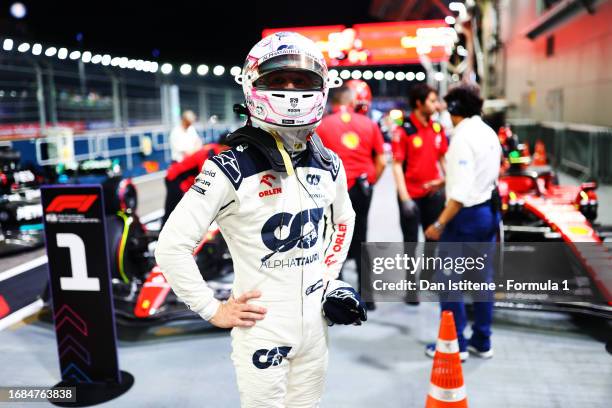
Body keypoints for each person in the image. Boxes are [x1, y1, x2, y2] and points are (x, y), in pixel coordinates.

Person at [155, 32, 366, 407]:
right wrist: (212, 309)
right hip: (262, 329)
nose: (291, 90)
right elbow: (171, 246)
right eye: (277, 80)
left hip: (317, 327)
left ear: (321, 86)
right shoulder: (229, 167)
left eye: (301, 81)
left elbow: (344, 221)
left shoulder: (330, 162)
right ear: (253, 84)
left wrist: (328, 279)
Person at [424, 83, 501, 361]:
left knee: (449, 280)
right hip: (488, 213)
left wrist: (438, 224)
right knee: (482, 280)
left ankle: (454, 342)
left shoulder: (461, 138)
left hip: (464, 218)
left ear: (455, 110)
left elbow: (459, 195)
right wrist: (445, 180)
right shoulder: (488, 133)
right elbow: (482, 173)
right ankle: (482, 340)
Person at [316, 81, 386, 310]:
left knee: (334, 236)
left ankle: (336, 292)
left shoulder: (322, 125)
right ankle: (369, 296)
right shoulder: (368, 123)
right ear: (350, 100)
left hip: (333, 189)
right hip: (363, 188)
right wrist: (372, 179)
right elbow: (382, 160)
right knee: (363, 235)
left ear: (333, 102)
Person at [391, 84, 447, 301]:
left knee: (434, 237)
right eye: (432, 101)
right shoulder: (404, 130)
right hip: (411, 195)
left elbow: (443, 158)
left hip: (434, 195)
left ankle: (426, 276)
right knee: (410, 243)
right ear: (419, 103)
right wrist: (405, 198)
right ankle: (410, 287)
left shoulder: (437, 128)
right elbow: (397, 165)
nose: (436, 105)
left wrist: (446, 182)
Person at [162, 139, 228, 225]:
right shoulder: (210, 154)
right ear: (225, 146)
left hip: (181, 178)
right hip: (175, 178)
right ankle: (163, 232)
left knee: (179, 209)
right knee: (172, 210)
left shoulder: (212, 149)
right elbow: (206, 178)